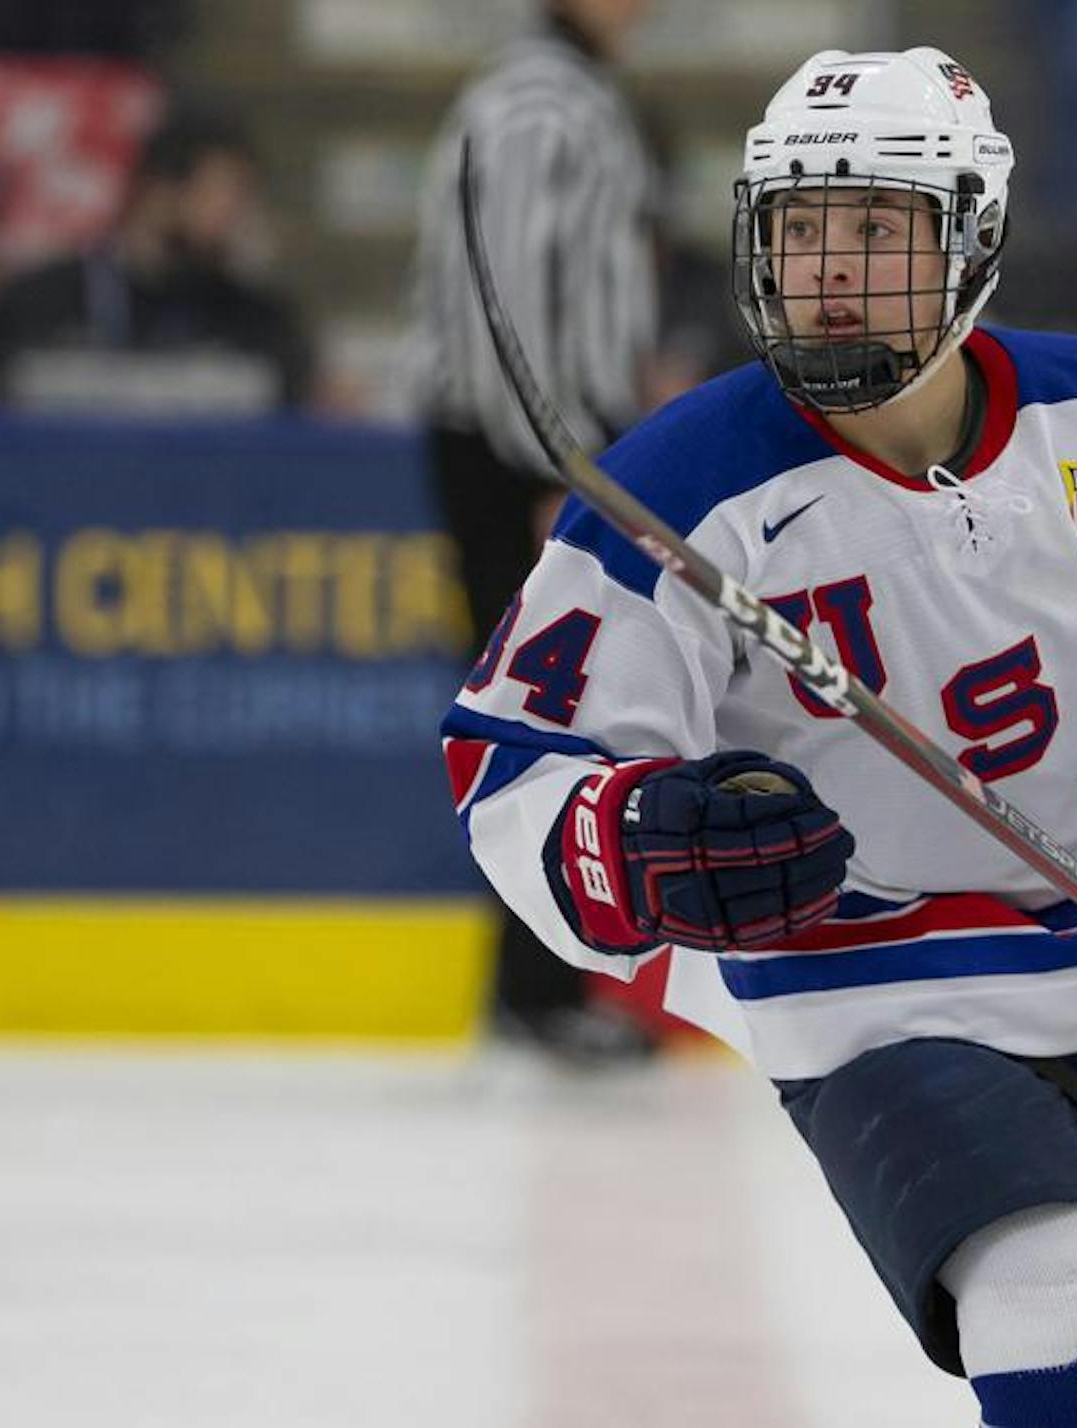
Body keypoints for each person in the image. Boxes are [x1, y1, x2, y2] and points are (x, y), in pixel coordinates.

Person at [442, 47, 1077, 1427]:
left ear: (972, 237)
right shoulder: (678, 491)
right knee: (1073, 1296)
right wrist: (641, 842)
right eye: (800, 230)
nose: (832, 270)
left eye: (876, 228)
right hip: (874, 993)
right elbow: (515, 763)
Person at [410, 0, 663, 1065]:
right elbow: (512, 308)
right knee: (546, 714)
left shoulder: (558, 96)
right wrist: (555, 471)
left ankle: (546, 982)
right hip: (526, 458)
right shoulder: (537, 107)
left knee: (569, 708)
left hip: (542, 452)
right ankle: (534, 990)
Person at [0, 102, 314, 414]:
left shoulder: (256, 320)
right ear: (161, 191)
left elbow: (302, 408)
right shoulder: (44, 300)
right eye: (226, 195)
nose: (236, 217)